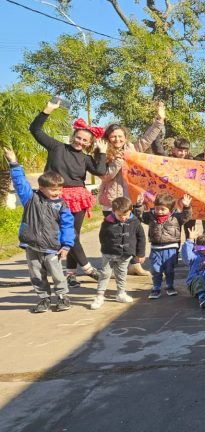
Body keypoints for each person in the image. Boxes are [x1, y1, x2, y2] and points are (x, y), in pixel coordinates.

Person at [30, 99, 107, 288]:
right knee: (64, 235)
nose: (80, 141)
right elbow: (35, 130)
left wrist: (102, 152)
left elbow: (100, 171)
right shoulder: (57, 147)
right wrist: (48, 110)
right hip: (54, 196)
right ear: (73, 136)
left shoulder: (86, 158)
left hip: (77, 198)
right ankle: (89, 270)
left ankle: (71, 273)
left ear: (89, 143)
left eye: (85, 140)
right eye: (78, 137)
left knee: (73, 235)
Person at [98, 102, 165, 276]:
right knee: (114, 235)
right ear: (108, 138)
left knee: (133, 233)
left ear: (125, 137)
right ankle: (114, 266)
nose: (117, 140)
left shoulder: (131, 149)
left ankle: (134, 265)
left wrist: (159, 121)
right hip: (112, 202)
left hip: (132, 200)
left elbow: (147, 139)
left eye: (120, 136)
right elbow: (105, 176)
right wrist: (119, 161)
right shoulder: (102, 152)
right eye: (113, 137)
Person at [6, 147, 74, 313]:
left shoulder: (61, 205)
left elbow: (67, 225)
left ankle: (62, 297)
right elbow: (20, 183)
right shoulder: (31, 199)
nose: (57, 193)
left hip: (52, 248)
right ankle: (44, 299)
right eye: (53, 189)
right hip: (32, 247)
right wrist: (14, 163)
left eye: (60, 189)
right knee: (36, 275)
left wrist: (66, 245)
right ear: (41, 188)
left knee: (57, 274)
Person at [90, 197, 146, 310]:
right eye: (119, 215)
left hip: (125, 254)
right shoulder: (107, 222)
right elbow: (102, 236)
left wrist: (140, 253)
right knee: (105, 274)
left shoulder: (135, 222)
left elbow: (141, 237)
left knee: (121, 274)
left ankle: (121, 293)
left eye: (126, 215)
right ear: (113, 211)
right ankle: (99, 296)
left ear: (131, 210)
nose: (123, 218)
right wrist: (107, 247)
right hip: (109, 253)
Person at [134, 192, 193, 299]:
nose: (159, 211)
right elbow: (140, 216)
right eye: (157, 209)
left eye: (163, 209)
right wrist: (138, 205)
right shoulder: (151, 216)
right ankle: (156, 288)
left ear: (170, 209)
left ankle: (170, 286)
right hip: (155, 248)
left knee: (169, 270)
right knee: (156, 270)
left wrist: (187, 206)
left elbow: (187, 216)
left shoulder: (176, 217)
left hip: (171, 248)